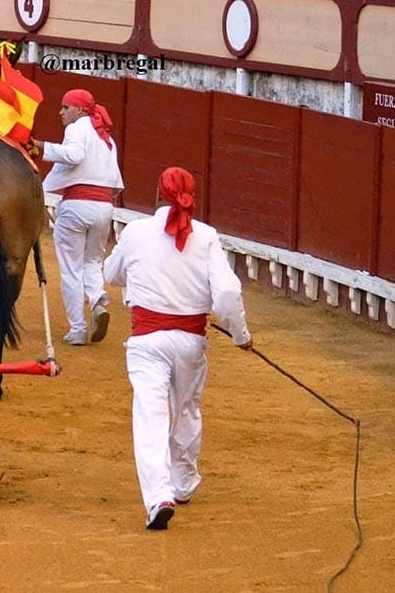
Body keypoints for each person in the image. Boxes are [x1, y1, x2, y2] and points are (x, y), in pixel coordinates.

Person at [102, 167, 253, 531]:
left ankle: (158, 497)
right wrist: (240, 335)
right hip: (190, 341)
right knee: (186, 409)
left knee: (151, 416)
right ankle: (183, 483)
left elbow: (110, 274)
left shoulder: (136, 232)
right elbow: (228, 294)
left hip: (147, 341)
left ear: (157, 195)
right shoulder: (207, 237)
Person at [33, 89, 123, 347]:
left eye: (65, 107)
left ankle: (77, 329)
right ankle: (97, 299)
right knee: (92, 260)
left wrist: (40, 146)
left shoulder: (77, 128)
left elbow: (74, 156)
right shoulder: (106, 136)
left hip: (76, 205)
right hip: (104, 208)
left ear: (80, 110)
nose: (61, 112)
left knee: (71, 268)